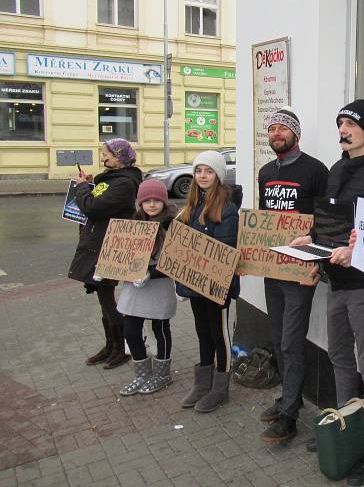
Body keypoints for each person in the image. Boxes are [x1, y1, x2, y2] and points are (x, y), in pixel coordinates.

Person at [294, 99, 364, 485]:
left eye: (351, 124)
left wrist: (357, 250)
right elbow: (332, 222)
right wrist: (312, 239)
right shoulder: (336, 169)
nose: (343, 130)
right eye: (340, 123)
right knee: (339, 356)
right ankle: (345, 423)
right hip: (336, 282)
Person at [257, 107, 328, 444]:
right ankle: (291, 396)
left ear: (295, 134)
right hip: (273, 267)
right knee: (276, 336)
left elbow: (326, 219)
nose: (276, 134)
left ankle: (289, 417)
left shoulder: (315, 170)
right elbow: (262, 219)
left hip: (300, 268)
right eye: (271, 129)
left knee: (291, 342)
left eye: (282, 129)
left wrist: (317, 258)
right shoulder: (265, 171)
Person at [177, 150, 242, 413]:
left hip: (217, 286)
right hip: (195, 284)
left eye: (209, 171)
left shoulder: (227, 209)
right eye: (199, 171)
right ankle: (202, 383)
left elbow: (224, 247)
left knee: (219, 335)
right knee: (202, 331)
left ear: (218, 175)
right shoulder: (190, 206)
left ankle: (220, 388)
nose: (203, 176)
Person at [68, 138, 142, 369]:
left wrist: (80, 188)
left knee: (107, 297)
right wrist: (90, 185)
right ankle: (111, 345)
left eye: (106, 154)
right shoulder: (112, 179)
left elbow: (94, 208)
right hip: (97, 243)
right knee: (102, 296)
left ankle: (121, 348)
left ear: (120, 156)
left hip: (110, 247)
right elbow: (97, 199)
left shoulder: (125, 183)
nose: (103, 158)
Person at [116, 179, 178, 396]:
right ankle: (142, 374)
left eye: (156, 200)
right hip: (135, 289)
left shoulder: (171, 225)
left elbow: (174, 262)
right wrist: (110, 267)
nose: (152, 205)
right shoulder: (134, 224)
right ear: (140, 203)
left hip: (159, 287)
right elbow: (122, 252)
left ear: (164, 202)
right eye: (147, 201)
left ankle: (162, 374)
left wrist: (151, 273)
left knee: (160, 329)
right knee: (131, 330)